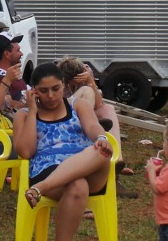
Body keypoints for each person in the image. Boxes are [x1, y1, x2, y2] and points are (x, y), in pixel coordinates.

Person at [13, 62, 113, 241]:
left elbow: (93, 126)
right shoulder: (23, 115)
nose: (50, 95)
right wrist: (32, 112)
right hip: (48, 166)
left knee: (101, 150)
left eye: (56, 88)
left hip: (87, 165)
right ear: (34, 92)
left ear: (64, 86)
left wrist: (101, 137)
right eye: (43, 91)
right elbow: (25, 151)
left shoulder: (78, 105)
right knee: (77, 185)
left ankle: (40, 188)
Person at [58, 57, 139, 200]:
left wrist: (90, 82)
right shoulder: (58, 79)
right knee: (86, 92)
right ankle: (91, 124)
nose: (75, 83)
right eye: (72, 81)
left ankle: (116, 159)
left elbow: (99, 104)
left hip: (82, 112)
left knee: (108, 108)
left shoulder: (86, 73)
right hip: (65, 118)